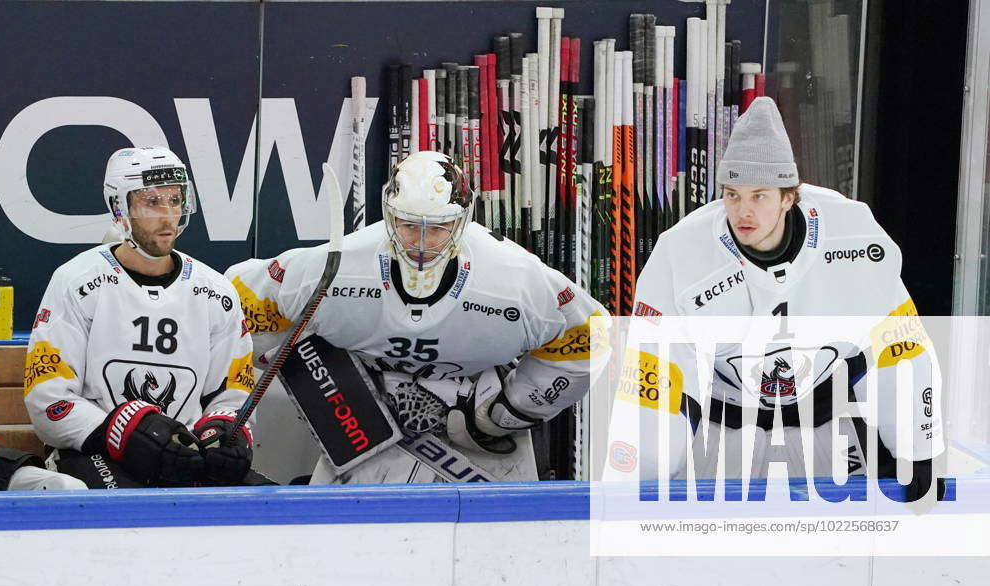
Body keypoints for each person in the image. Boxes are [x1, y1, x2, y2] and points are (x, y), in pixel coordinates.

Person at [618, 97, 943, 500]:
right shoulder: (681, 253)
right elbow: (659, 374)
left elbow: (897, 347)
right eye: (732, 194)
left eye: (759, 196)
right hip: (725, 430)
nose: (742, 212)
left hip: (827, 426)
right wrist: (644, 477)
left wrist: (918, 450)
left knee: (836, 555)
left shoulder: (855, 236)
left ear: (790, 196)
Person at [226, 150, 610, 483]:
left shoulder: (515, 278)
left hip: (476, 421)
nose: (422, 243)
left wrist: (510, 410)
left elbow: (591, 333)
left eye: (438, 228)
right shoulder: (336, 265)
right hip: (360, 414)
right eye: (409, 225)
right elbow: (242, 299)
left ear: (463, 221)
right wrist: (313, 370)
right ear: (389, 216)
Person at [24, 146, 269, 488]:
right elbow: (49, 402)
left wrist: (224, 432)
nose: (168, 215)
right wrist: (126, 434)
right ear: (119, 208)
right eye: (152, 202)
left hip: (186, 456)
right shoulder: (77, 283)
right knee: (123, 509)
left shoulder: (217, 292)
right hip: (98, 453)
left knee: (265, 508)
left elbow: (231, 395)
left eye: (175, 199)